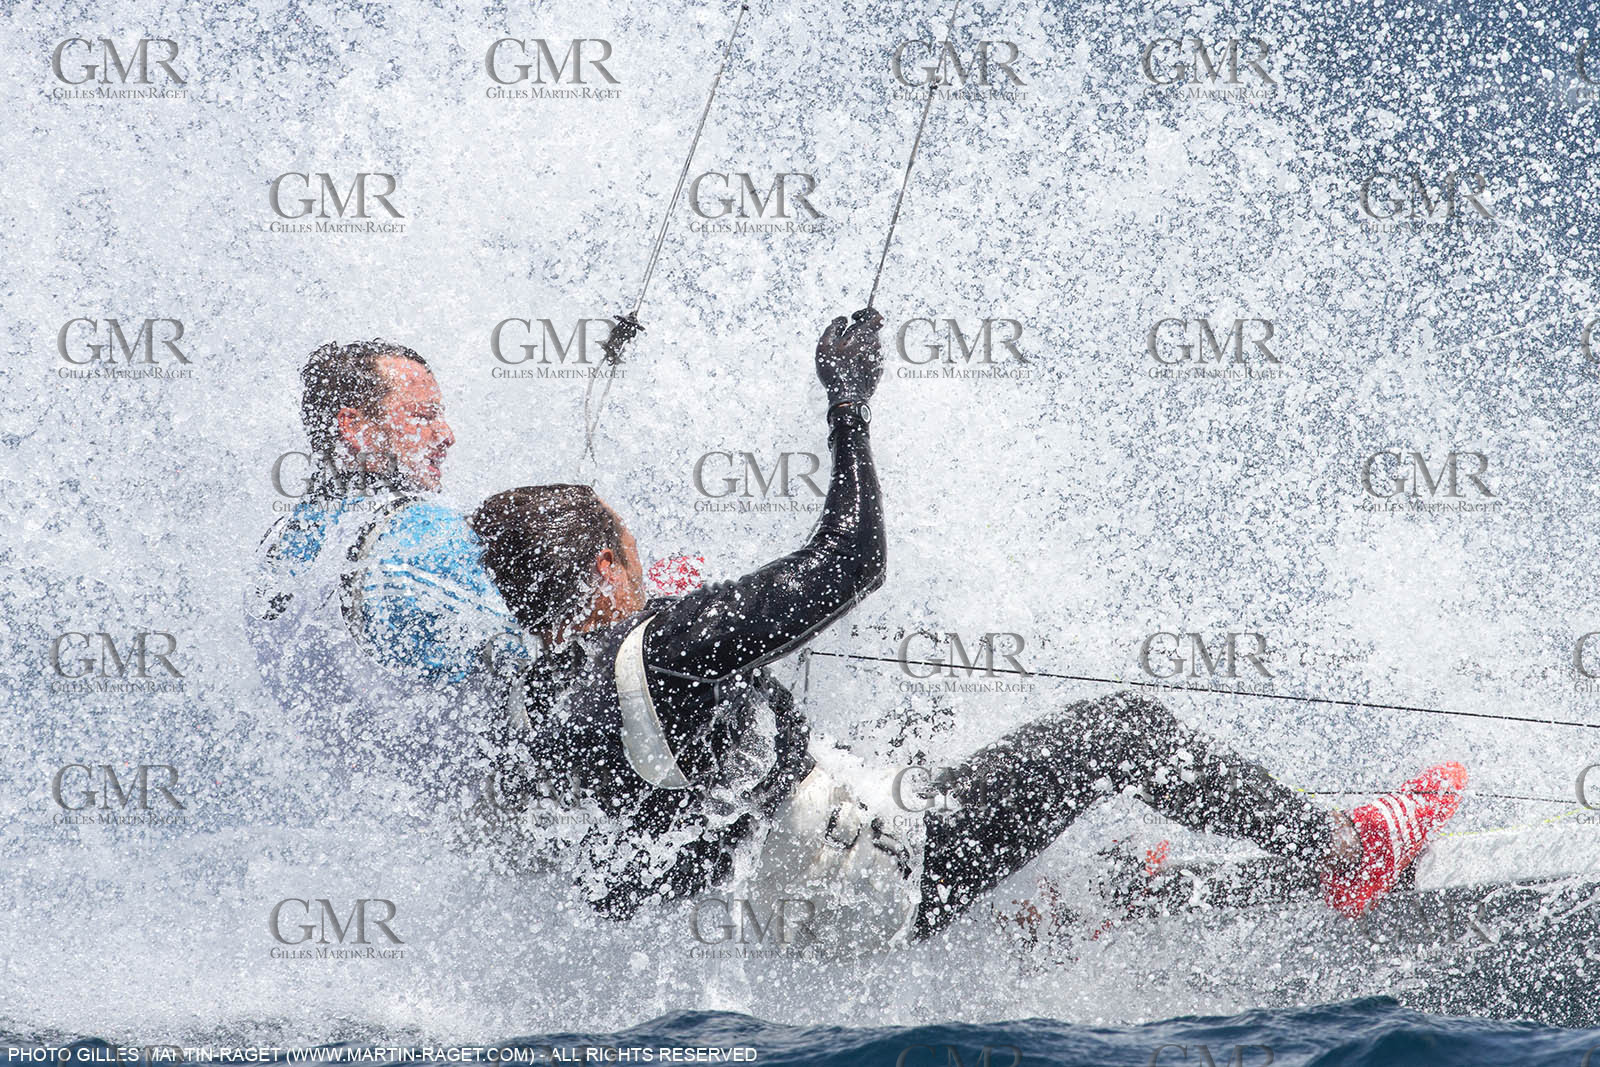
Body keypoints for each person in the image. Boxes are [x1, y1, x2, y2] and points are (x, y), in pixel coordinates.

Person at [467, 309, 1467, 950]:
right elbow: (850, 560)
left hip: (788, 916)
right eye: (631, 558)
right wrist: (847, 408)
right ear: (604, 570)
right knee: (1120, 729)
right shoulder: (673, 646)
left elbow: (647, 810)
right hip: (888, 873)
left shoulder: (529, 706)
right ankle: (1343, 850)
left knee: (915, 726)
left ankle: (1057, 900)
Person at [246, 339, 524, 815]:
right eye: (423, 416)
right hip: (492, 820)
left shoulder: (281, 547)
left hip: (374, 826)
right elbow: (551, 644)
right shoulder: (421, 534)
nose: (448, 434)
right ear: (354, 428)